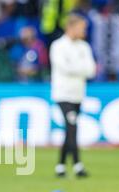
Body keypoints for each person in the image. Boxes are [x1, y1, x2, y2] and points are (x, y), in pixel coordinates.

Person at [50, 13, 95, 178]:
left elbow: (91, 70)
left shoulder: (84, 47)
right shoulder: (58, 46)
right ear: (71, 27)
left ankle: (60, 166)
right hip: (63, 94)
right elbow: (64, 68)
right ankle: (77, 165)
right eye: (82, 28)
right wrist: (80, 68)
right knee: (72, 127)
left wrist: (76, 68)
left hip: (78, 94)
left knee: (69, 130)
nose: (84, 31)